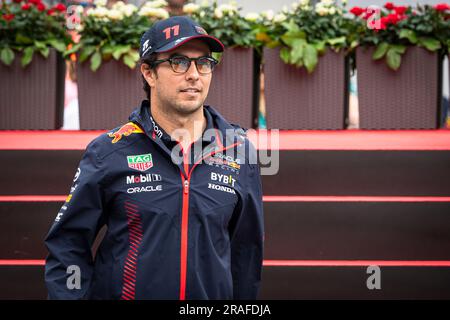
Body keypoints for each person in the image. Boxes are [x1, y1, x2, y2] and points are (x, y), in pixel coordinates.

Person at [45, 15, 264, 300]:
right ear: (148, 73)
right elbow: (68, 243)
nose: (194, 74)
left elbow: (246, 255)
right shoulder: (109, 151)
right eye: (179, 62)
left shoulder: (239, 150)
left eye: (204, 63)